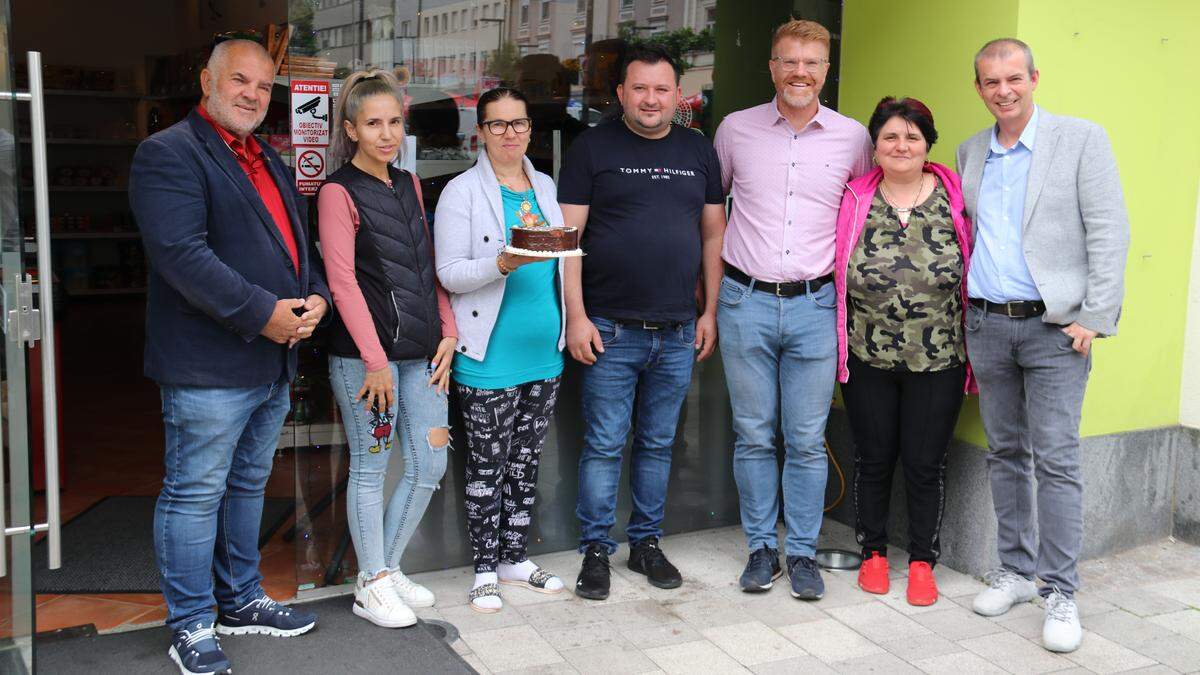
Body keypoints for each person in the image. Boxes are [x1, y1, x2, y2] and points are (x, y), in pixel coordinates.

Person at [130, 39, 328, 675]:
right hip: (208, 363)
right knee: (194, 491)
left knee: (246, 484)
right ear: (207, 81)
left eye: (263, 86)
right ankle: (189, 622)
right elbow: (183, 257)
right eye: (239, 80)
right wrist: (264, 314)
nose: (252, 93)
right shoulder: (168, 154)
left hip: (272, 360)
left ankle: (240, 598)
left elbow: (299, 244)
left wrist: (316, 297)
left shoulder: (266, 156)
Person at [959, 39, 1129, 653]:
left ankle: (1060, 590)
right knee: (1006, 452)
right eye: (990, 81)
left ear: (1034, 78)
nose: (1003, 90)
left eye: (1013, 78)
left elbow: (1109, 230)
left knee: (1056, 459)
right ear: (978, 88)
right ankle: (1014, 571)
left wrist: (1095, 316)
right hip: (987, 324)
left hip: (1056, 330)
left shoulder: (1081, 140)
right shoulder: (971, 150)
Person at [712, 18, 871, 600]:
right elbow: (712, 211)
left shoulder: (853, 138)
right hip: (744, 300)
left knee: (806, 438)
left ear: (826, 70)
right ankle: (761, 547)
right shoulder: (735, 129)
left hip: (815, 305)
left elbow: (860, 215)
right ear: (772, 66)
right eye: (788, 61)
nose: (799, 72)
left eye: (811, 63)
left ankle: (802, 551)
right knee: (753, 434)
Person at [561, 45, 726, 601]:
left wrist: (710, 311)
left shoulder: (699, 151)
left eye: (662, 89)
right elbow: (567, 242)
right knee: (605, 444)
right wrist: (577, 317)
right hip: (609, 328)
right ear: (621, 94)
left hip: (678, 329)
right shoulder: (592, 147)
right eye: (640, 89)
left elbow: (712, 235)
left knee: (657, 445)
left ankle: (646, 545)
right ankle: (595, 551)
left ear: (678, 96)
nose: (651, 99)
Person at [317, 69, 458, 629]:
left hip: (422, 353)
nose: (386, 134)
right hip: (364, 361)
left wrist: (447, 329)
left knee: (430, 462)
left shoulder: (410, 184)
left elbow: (426, 266)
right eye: (372, 123)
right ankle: (371, 584)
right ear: (351, 130)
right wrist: (374, 360)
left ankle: (387, 566)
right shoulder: (337, 192)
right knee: (371, 468)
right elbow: (343, 281)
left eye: (394, 122)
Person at [833, 97, 973, 606]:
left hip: (938, 359)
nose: (901, 145)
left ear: (927, 144)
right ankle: (872, 552)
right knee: (873, 458)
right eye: (891, 136)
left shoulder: (955, 197)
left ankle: (920, 561)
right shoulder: (855, 197)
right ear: (875, 145)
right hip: (866, 355)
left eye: (912, 137)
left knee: (923, 463)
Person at [434, 87, 568, 613]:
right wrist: (502, 265)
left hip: (544, 351)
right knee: (486, 469)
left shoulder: (545, 186)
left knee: (526, 461)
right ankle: (484, 568)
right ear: (480, 133)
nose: (510, 133)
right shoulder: (461, 193)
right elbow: (448, 274)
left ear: (530, 129)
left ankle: (514, 557)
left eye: (519, 123)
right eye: (498, 125)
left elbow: (562, 259)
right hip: (488, 355)